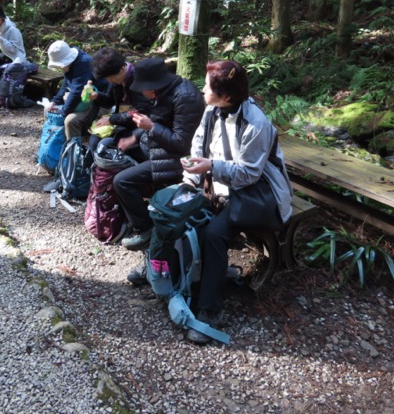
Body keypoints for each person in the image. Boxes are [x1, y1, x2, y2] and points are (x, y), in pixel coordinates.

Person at [181, 60, 294, 344]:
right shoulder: (212, 110)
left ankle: (209, 310)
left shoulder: (256, 123)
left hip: (256, 193)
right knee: (177, 212)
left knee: (214, 234)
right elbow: (198, 145)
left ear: (226, 96)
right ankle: (169, 278)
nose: (202, 89)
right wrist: (189, 180)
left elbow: (248, 174)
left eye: (207, 86)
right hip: (217, 185)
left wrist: (210, 166)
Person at [113, 57, 204, 251]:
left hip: (178, 159)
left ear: (153, 85)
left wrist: (151, 127)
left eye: (142, 88)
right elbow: (156, 123)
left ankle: (144, 229)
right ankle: (137, 216)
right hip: (157, 147)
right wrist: (135, 137)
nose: (140, 92)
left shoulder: (184, 97)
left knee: (122, 181)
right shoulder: (163, 92)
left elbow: (181, 143)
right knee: (115, 156)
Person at [87, 47, 153, 161]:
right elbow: (110, 101)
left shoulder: (138, 79)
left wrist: (111, 119)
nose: (110, 81)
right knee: (94, 140)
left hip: (140, 126)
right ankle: (99, 174)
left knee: (104, 144)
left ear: (122, 68)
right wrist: (97, 96)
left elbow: (141, 111)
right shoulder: (117, 80)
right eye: (107, 78)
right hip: (122, 123)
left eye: (111, 77)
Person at [46, 40, 108, 140]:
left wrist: (64, 111)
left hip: (97, 102)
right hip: (81, 100)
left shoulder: (83, 63)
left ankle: (72, 151)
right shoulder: (70, 65)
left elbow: (76, 92)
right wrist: (55, 101)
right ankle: (52, 146)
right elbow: (66, 84)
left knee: (70, 120)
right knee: (48, 110)